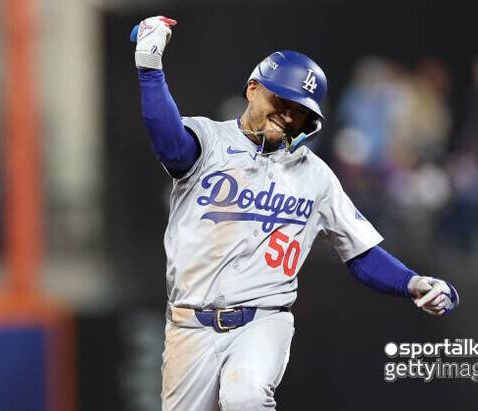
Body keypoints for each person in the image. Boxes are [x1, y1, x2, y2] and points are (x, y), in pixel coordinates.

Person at [131, 16, 459, 411]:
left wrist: (412, 282)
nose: (287, 116)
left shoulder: (315, 176)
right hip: (190, 325)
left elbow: (361, 252)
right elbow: (170, 146)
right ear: (253, 90)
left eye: (299, 111)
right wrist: (150, 69)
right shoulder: (209, 140)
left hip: (263, 319)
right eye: (281, 102)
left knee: (246, 396)